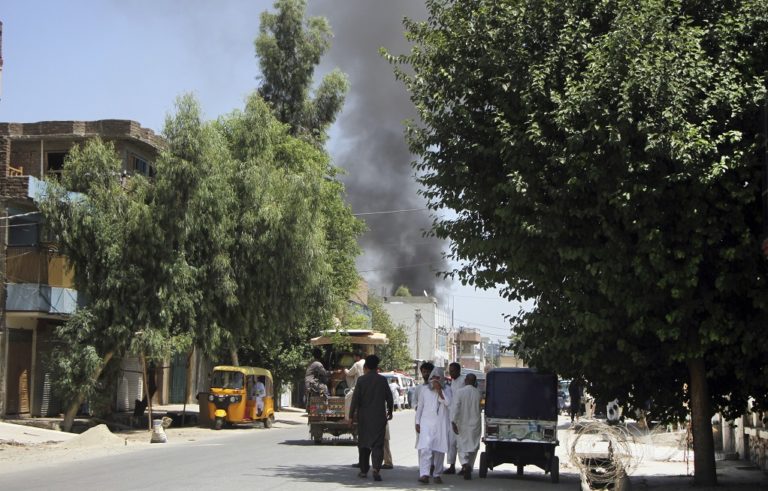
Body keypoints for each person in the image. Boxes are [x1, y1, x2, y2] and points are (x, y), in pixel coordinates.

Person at [350, 355, 393, 482]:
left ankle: (364, 471)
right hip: (379, 418)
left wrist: (350, 416)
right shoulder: (382, 380)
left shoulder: (361, 381)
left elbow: (355, 400)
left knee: (363, 444)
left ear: (366, 367)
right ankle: (376, 469)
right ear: (377, 367)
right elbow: (389, 398)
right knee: (378, 445)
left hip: (364, 418)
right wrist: (390, 412)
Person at [415, 366, 452, 484]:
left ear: (442, 378)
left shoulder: (447, 390)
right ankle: (424, 474)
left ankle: (437, 474)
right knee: (425, 448)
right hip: (426, 423)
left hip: (441, 424)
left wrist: (440, 391)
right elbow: (419, 407)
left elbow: (448, 403)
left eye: (437, 378)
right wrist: (417, 422)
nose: (435, 380)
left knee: (439, 450)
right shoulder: (425, 390)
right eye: (433, 377)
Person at [451, 373, 482, 480]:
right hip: (475, 423)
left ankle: (464, 464)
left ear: (465, 381)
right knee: (473, 446)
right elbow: (481, 407)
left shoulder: (460, 392)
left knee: (461, 445)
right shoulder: (478, 393)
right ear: (475, 381)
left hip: (462, 423)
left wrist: (453, 422)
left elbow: (455, 408)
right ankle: (470, 465)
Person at [444, 362, 465, 474]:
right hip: (452, 415)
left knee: (461, 443)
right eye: (450, 371)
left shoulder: (463, 381)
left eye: (453, 371)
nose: (451, 373)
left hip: (461, 417)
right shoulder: (452, 382)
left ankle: (464, 466)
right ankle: (452, 466)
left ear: (458, 371)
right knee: (451, 443)